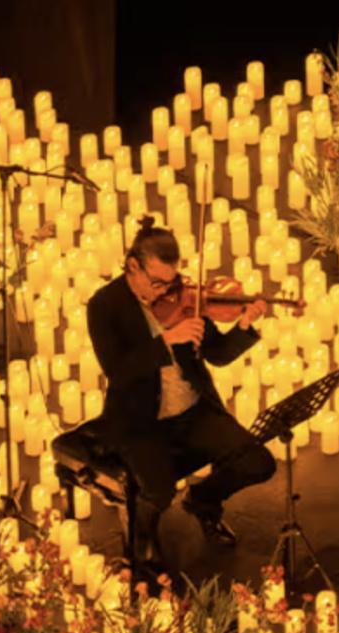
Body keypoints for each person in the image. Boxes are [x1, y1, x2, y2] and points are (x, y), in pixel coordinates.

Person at [85, 218, 275, 572]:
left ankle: (203, 500)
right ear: (133, 267)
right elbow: (119, 371)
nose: (164, 292)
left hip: (192, 411)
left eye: (171, 282)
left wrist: (244, 326)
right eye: (156, 282)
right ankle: (141, 539)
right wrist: (166, 341)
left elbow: (216, 353)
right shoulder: (104, 306)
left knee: (258, 462)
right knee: (158, 490)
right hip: (141, 421)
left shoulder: (184, 298)